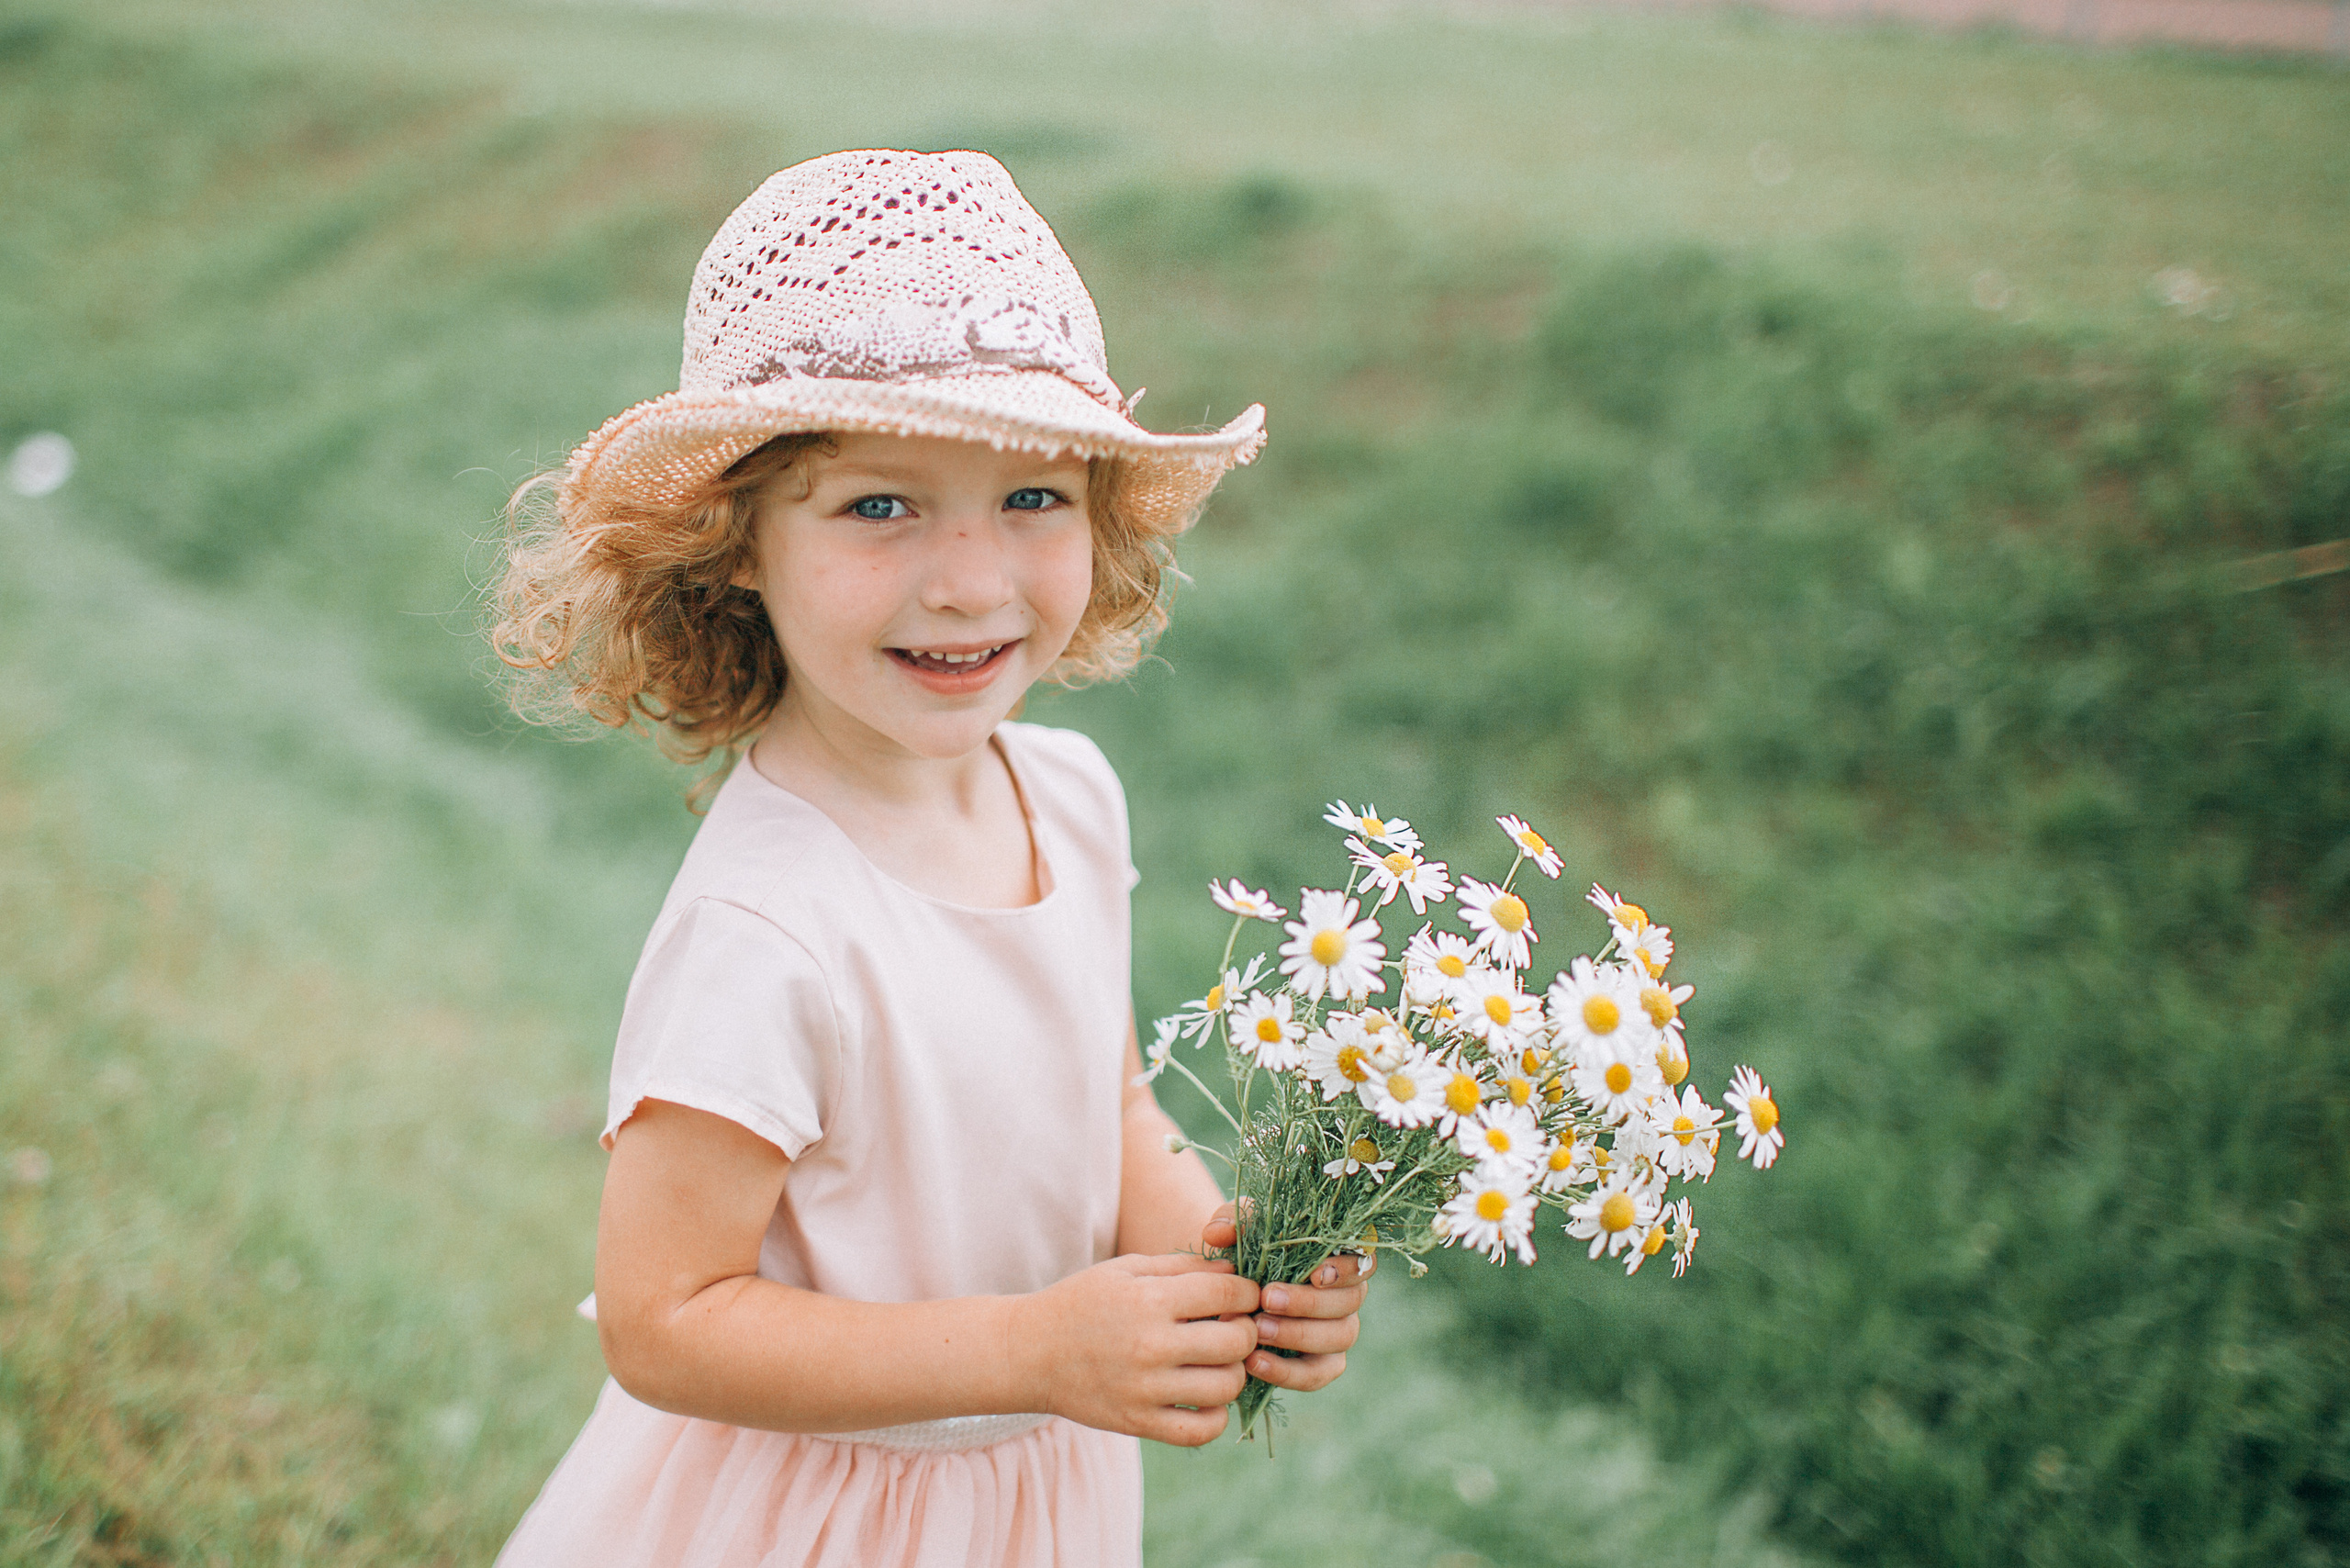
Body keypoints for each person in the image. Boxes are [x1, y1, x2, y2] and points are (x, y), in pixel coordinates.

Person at [485, 149, 1372, 1567]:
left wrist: (1227, 1264)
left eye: (1033, 499)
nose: (969, 580)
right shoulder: (768, 923)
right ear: (732, 549)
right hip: (810, 1514)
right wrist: (1032, 1348)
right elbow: (667, 1321)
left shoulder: (1069, 796)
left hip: (1030, 1501)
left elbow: (1114, 1095)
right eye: (879, 506)